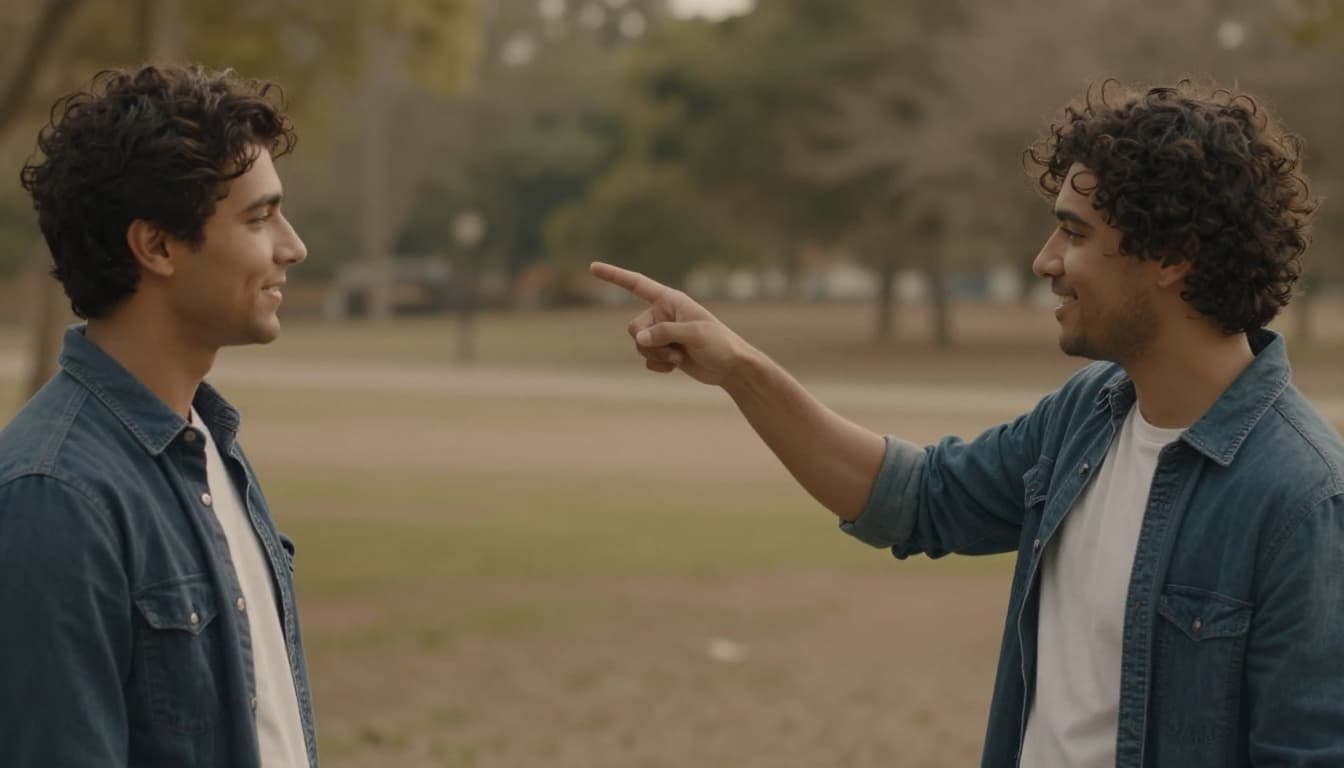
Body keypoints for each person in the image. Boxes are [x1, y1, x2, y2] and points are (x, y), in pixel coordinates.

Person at [591, 81, 1344, 767]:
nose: (1044, 260)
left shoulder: (1301, 500)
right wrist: (740, 369)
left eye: (1074, 235)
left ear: (1174, 256)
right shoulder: (1088, 414)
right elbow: (916, 499)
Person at [0, 64, 316, 767]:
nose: (292, 247)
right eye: (260, 217)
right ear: (158, 246)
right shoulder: (53, 496)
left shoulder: (210, 445)